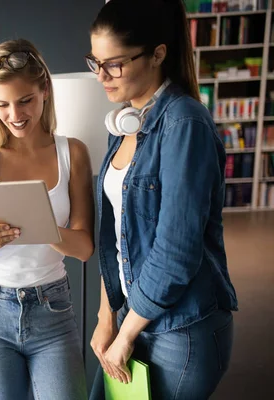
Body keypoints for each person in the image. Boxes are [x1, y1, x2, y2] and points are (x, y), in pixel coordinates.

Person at [86, 1, 238, 399]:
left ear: (157, 54)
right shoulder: (122, 127)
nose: (101, 75)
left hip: (180, 329)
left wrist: (125, 333)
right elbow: (117, 237)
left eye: (114, 64)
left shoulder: (185, 124)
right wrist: (107, 316)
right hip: (130, 316)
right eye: (95, 62)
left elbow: (177, 249)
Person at [0, 38, 94, 400]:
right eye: (2, 105)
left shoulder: (72, 153)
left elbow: (84, 248)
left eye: (25, 101)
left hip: (52, 308)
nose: (15, 115)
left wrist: (43, 226)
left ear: (44, 89)